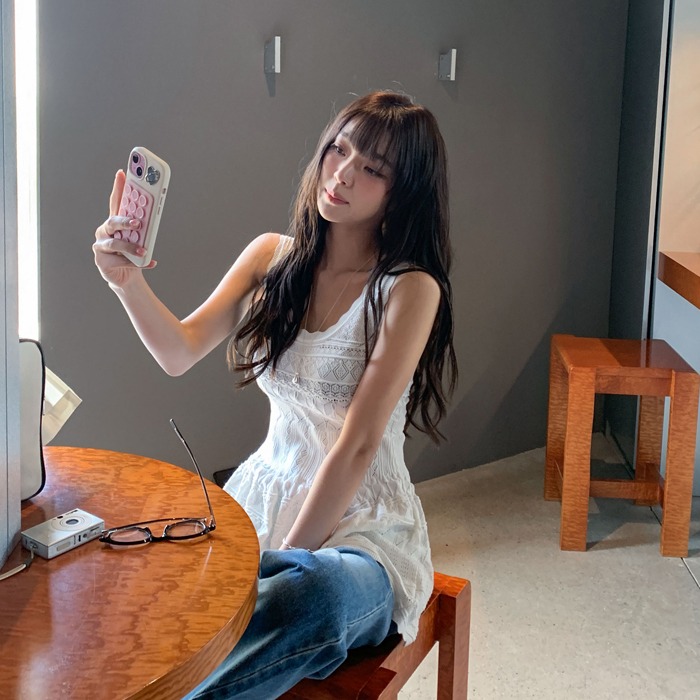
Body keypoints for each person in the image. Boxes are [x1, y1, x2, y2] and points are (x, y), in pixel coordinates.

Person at [93, 90, 457, 699]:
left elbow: (358, 445)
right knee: (136, 573)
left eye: (372, 168)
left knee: (310, 597)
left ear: (403, 192)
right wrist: (126, 281)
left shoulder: (408, 289)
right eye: (339, 149)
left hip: (362, 536)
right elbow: (179, 351)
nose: (342, 173)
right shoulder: (271, 256)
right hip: (261, 499)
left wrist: (279, 564)